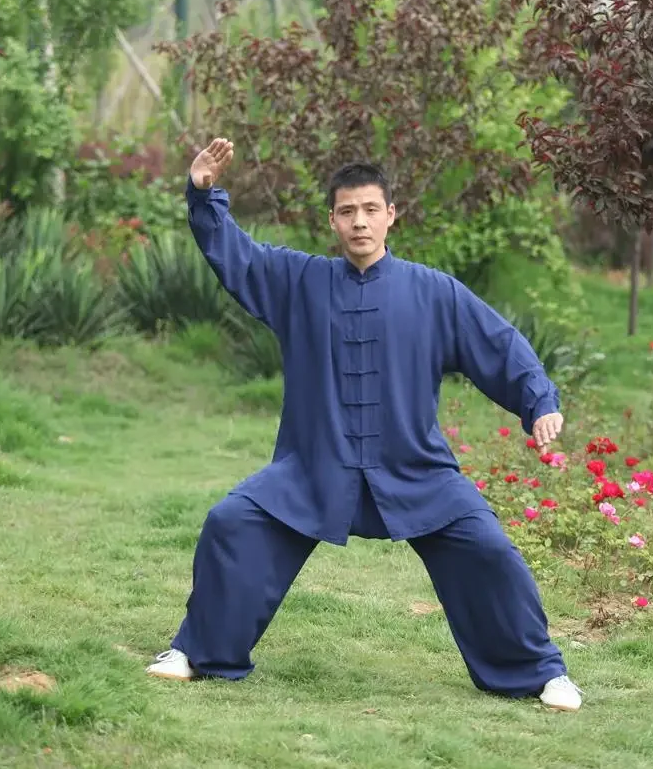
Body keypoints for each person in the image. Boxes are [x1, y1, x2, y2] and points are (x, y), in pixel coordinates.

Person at [146, 138, 582, 712]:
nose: (359, 222)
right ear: (332, 219)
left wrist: (539, 401)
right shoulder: (297, 281)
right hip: (312, 468)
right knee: (232, 523)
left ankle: (540, 673)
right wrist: (204, 195)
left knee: (490, 550)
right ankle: (198, 652)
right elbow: (237, 255)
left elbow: (498, 344)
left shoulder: (434, 293)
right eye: (347, 211)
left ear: (391, 215)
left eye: (371, 210)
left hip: (415, 469)